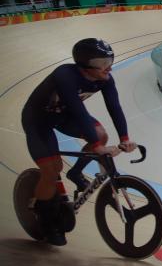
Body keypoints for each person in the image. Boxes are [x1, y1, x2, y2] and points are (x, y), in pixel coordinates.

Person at [21, 38, 138, 246]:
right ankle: (46, 222)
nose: (109, 66)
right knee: (52, 169)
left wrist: (125, 138)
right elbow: (79, 110)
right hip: (39, 120)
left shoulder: (105, 78)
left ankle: (75, 172)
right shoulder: (65, 75)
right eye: (103, 62)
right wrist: (97, 148)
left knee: (101, 134)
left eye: (110, 59)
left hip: (64, 116)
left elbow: (115, 107)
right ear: (86, 64)